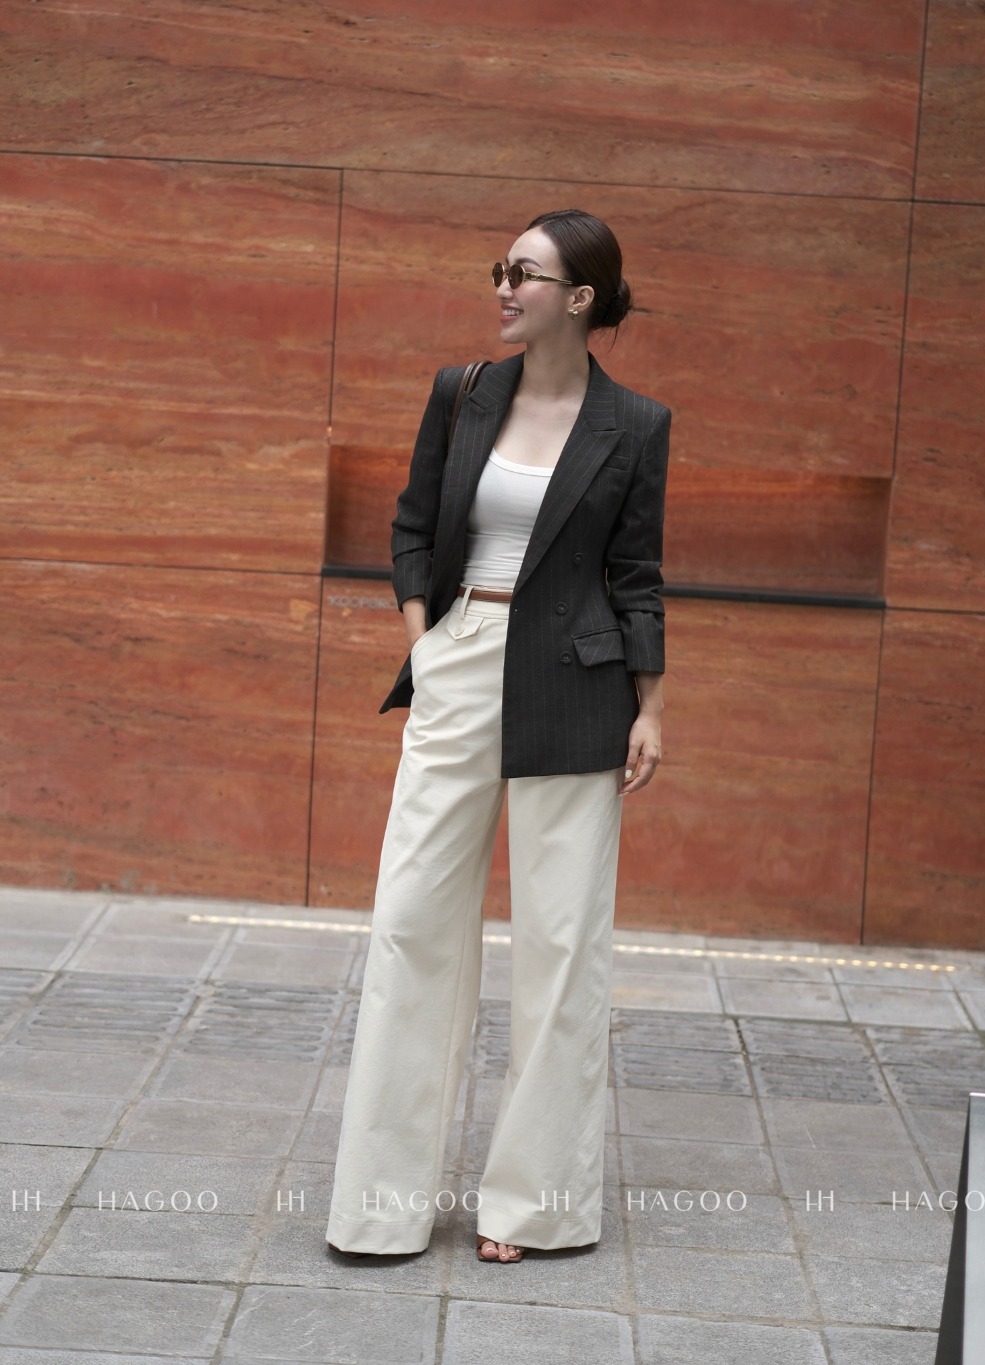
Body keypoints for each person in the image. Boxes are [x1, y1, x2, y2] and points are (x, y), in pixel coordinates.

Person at [326, 208, 671, 1264]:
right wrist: (424, 648)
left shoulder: (636, 424)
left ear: (579, 298)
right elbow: (413, 528)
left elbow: (636, 574)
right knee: (411, 922)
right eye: (501, 270)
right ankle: (382, 1202)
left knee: (563, 947)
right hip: (462, 657)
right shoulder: (463, 392)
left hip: (580, 683)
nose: (503, 289)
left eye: (524, 274)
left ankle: (533, 1206)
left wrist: (652, 705)